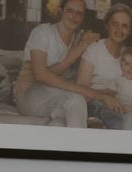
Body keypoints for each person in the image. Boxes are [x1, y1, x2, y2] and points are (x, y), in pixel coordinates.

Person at [13, 0, 107, 128]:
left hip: (57, 98)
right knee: (76, 100)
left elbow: (99, 41)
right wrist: (94, 93)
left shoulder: (80, 37)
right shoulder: (42, 32)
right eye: (70, 11)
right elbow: (41, 76)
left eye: (79, 13)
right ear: (61, 11)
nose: (74, 16)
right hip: (30, 94)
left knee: (61, 123)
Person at [74, 3, 132, 130]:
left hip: (119, 106)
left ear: (130, 30)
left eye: (125, 26)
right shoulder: (94, 49)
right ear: (107, 25)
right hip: (94, 106)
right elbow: (80, 90)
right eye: (115, 24)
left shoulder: (129, 55)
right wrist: (104, 95)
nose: (119, 30)